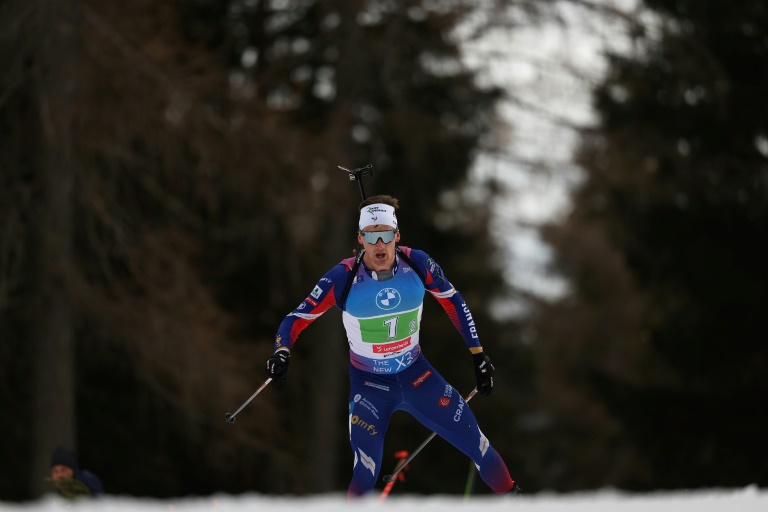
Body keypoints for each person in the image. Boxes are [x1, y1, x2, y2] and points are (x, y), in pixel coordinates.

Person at [265, 195, 519, 497]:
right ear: (360, 239)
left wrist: (477, 354)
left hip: (418, 376)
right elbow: (296, 318)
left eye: (386, 235)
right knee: (365, 469)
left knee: (478, 445)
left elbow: (454, 301)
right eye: (372, 236)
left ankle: (515, 502)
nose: (380, 244)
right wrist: (282, 351)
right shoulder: (342, 277)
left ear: (397, 236)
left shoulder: (418, 263)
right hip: (370, 385)